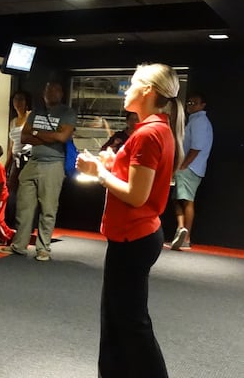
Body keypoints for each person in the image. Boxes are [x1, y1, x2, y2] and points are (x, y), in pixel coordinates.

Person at [76, 63, 184, 378]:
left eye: (132, 83)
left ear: (148, 90)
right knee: (118, 320)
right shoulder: (156, 129)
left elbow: (136, 196)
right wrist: (114, 165)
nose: (126, 89)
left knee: (130, 323)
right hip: (135, 236)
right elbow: (139, 183)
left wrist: (99, 172)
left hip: (133, 237)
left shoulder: (149, 133)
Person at [0, 81, 77, 262]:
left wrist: (36, 133)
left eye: (55, 90)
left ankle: (43, 248)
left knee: (48, 209)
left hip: (53, 164)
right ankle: (19, 245)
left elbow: (62, 137)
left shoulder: (67, 113)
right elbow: (24, 136)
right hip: (32, 162)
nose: (51, 93)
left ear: (61, 93)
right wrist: (49, 135)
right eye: (48, 90)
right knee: (23, 207)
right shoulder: (36, 112)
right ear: (43, 93)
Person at [171, 92, 213, 250]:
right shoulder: (196, 120)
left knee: (186, 200)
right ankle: (181, 230)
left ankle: (185, 237)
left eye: (194, 103)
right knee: (178, 198)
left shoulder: (199, 122)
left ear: (203, 105)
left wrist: (183, 165)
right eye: (189, 103)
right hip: (190, 167)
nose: (190, 105)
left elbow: (196, 147)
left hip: (190, 167)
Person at [4, 90, 32, 228]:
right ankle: (13, 222)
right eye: (15, 99)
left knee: (26, 192)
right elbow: (12, 146)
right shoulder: (13, 121)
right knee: (12, 190)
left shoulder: (31, 116)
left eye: (21, 99)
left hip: (28, 158)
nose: (18, 102)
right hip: (16, 159)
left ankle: (25, 223)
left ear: (26, 102)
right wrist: (5, 166)